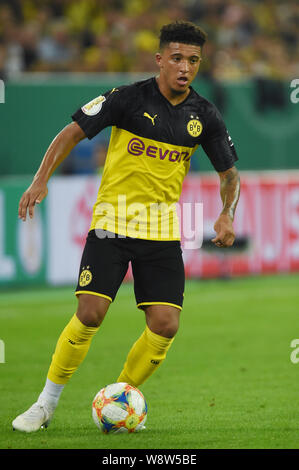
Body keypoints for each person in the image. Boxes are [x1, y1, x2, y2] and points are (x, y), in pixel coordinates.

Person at [13, 21, 240, 432]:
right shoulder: (126, 98)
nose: (185, 67)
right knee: (91, 311)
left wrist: (228, 213)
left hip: (162, 230)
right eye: (176, 58)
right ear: (159, 60)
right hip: (112, 224)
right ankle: (45, 404)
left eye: (193, 60)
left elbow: (230, 175)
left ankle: (119, 396)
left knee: (166, 325)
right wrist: (40, 179)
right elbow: (70, 133)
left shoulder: (204, 115)